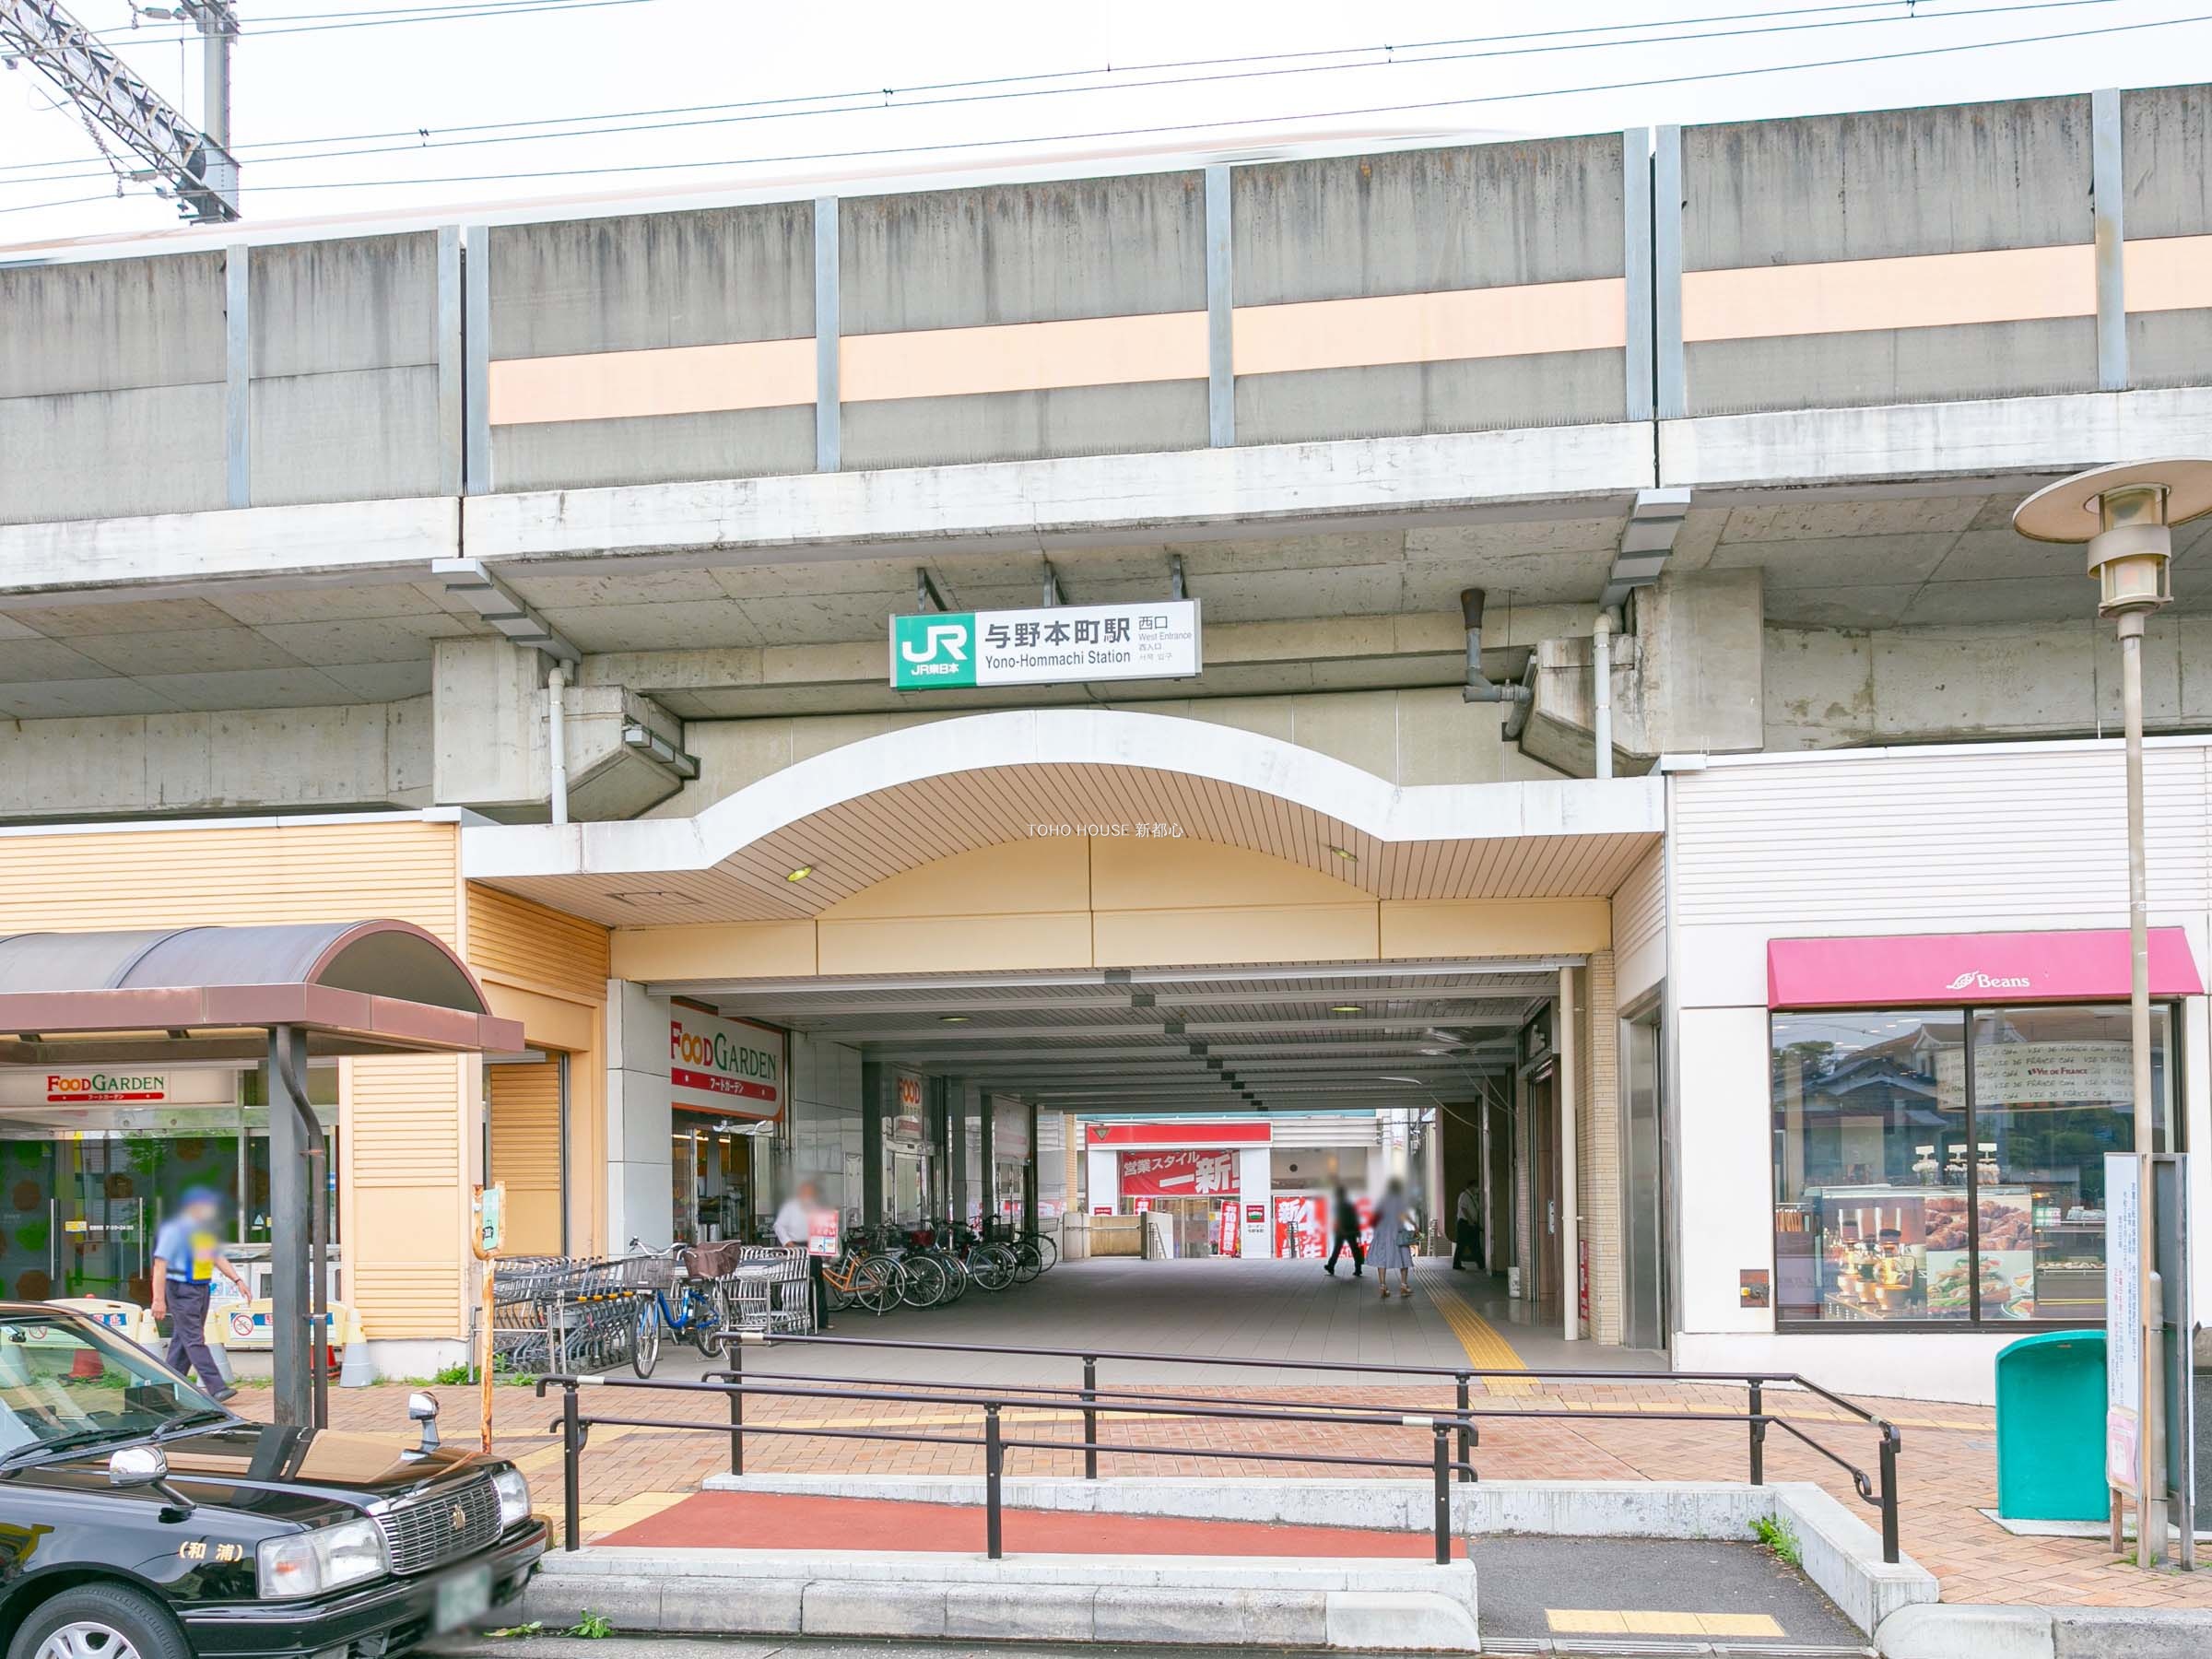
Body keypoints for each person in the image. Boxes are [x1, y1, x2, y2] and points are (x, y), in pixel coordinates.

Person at [149, 1187, 247, 1403]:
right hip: (180, 1288)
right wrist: (158, 1299)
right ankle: (216, 1387)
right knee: (194, 1339)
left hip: (201, 1289)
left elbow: (216, 1258)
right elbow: (159, 1265)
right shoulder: (174, 1231)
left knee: (183, 1340)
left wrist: (237, 1280)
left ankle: (166, 1390)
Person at [772, 1180, 831, 1331]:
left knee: (816, 1284)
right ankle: (786, 1318)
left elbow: (823, 1228)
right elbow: (778, 1226)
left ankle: (820, 1321)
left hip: (812, 1246)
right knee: (793, 1284)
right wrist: (788, 1244)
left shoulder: (815, 1207)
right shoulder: (790, 1207)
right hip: (795, 1247)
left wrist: (826, 1250)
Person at [1370, 1177, 1415, 1300]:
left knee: (1381, 1259)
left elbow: (1375, 1217)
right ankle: (1404, 1286)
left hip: (1382, 1232)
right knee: (1404, 1257)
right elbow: (1403, 1215)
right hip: (1397, 1232)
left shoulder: (1382, 1200)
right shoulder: (1399, 1200)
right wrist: (1414, 1224)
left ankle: (1383, 1286)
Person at [1322, 1185, 1364, 1277]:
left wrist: (1341, 1229)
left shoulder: (1338, 1205)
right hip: (1351, 1230)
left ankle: (1331, 1266)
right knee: (1355, 1250)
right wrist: (1357, 1231)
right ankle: (1358, 1269)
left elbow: (1338, 1219)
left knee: (1337, 1249)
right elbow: (1355, 1218)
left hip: (1341, 1231)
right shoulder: (1350, 1205)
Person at [1451, 1176, 1483, 1272]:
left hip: (1470, 1223)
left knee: (1474, 1244)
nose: (1477, 1189)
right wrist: (1470, 1221)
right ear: (1471, 1186)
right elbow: (1463, 1209)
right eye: (1476, 1187)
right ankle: (1457, 1264)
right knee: (1463, 1244)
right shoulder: (1464, 1195)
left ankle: (1481, 1264)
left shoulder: (1472, 1196)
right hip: (1465, 1223)